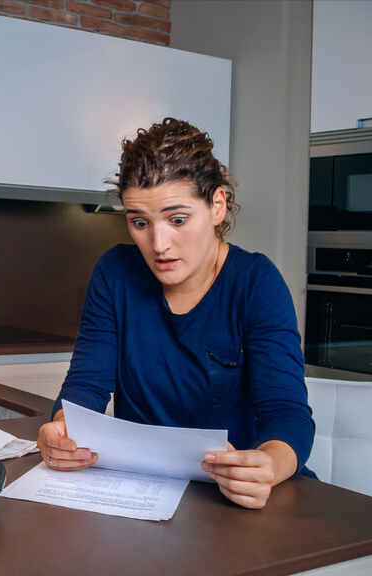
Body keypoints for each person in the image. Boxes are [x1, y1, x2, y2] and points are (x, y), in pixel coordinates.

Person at [37, 118, 315, 510]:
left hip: (237, 499)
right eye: (139, 223)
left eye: (178, 219)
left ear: (217, 205)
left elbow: (288, 415)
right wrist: (61, 431)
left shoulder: (256, 283)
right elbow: (85, 387)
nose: (159, 244)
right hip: (146, 493)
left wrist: (268, 464)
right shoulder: (114, 273)